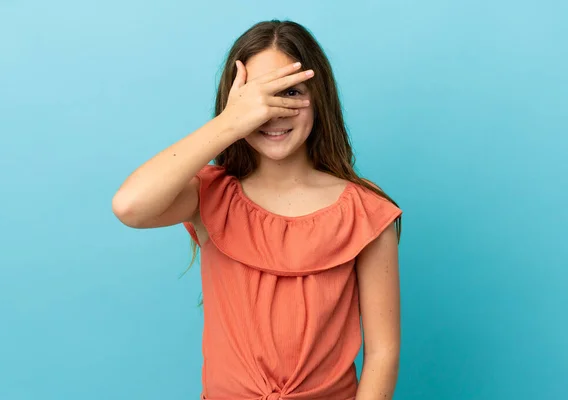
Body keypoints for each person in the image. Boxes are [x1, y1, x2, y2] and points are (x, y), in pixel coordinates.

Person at [112, 19, 403, 400]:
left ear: (319, 97)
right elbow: (130, 206)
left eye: (290, 93)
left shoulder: (364, 209)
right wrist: (230, 122)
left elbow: (383, 353)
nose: (274, 112)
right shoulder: (211, 195)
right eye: (258, 98)